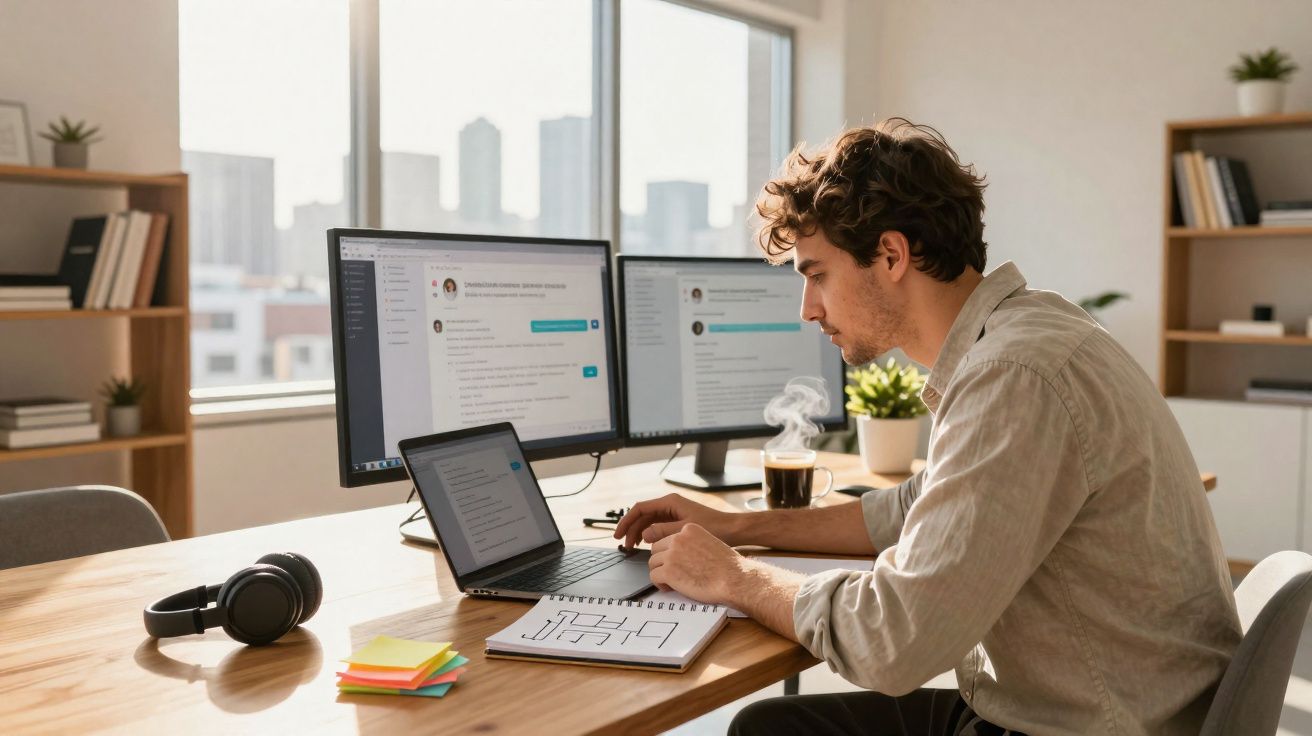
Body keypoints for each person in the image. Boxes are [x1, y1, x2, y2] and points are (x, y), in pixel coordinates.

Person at [613, 118, 1240, 736]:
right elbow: (916, 507)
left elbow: (893, 642)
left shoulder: (1014, 374)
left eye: (816, 275)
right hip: (1114, 707)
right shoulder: (1029, 331)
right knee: (771, 724)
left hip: (1093, 727)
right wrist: (736, 527)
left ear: (890, 254)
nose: (807, 309)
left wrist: (734, 575)